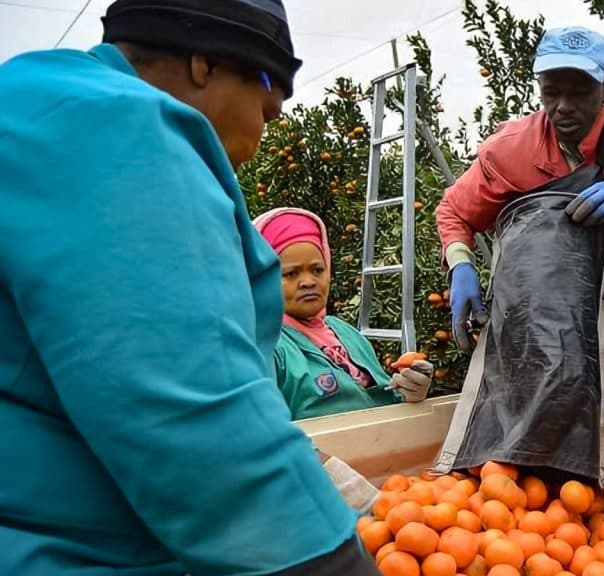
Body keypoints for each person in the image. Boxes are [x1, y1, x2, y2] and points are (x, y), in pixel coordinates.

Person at [0, 1, 378, 574]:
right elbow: (194, 415)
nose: (255, 142)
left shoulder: (38, 102)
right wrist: (328, 559)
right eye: (266, 111)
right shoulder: (116, 128)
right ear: (205, 63)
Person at [435, 26, 604, 401]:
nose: (564, 106)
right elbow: (455, 211)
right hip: (533, 357)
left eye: (580, 92)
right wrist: (461, 265)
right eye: (552, 92)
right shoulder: (510, 150)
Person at [253, 207, 433, 419]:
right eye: (291, 273)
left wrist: (409, 390)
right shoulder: (266, 347)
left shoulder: (345, 333)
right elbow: (262, 432)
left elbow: (381, 403)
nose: (309, 282)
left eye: (317, 270)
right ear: (262, 278)